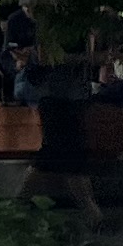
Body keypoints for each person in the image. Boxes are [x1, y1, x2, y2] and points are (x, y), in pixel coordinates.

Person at [27, 35, 107, 235]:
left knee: (58, 158)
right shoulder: (54, 28)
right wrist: (87, 58)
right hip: (57, 98)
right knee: (66, 157)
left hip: (73, 97)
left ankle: (16, 205)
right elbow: (45, 57)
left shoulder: (82, 29)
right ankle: (93, 214)